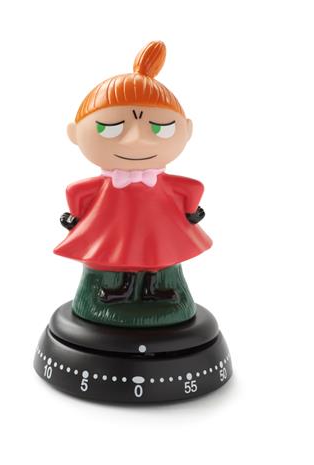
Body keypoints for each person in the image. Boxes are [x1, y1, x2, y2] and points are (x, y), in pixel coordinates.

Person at [54, 41, 212, 327]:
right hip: (116, 226)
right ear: (75, 134)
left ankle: (152, 290)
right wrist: (73, 217)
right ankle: (122, 289)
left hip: (158, 224)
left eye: (160, 128)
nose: (136, 139)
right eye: (110, 128)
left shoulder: (164, 183)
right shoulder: (105, 185)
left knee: (156, 253)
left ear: (187, 130)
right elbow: (77, 192)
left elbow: (191, 189)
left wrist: (193, 212)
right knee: (122, 255)